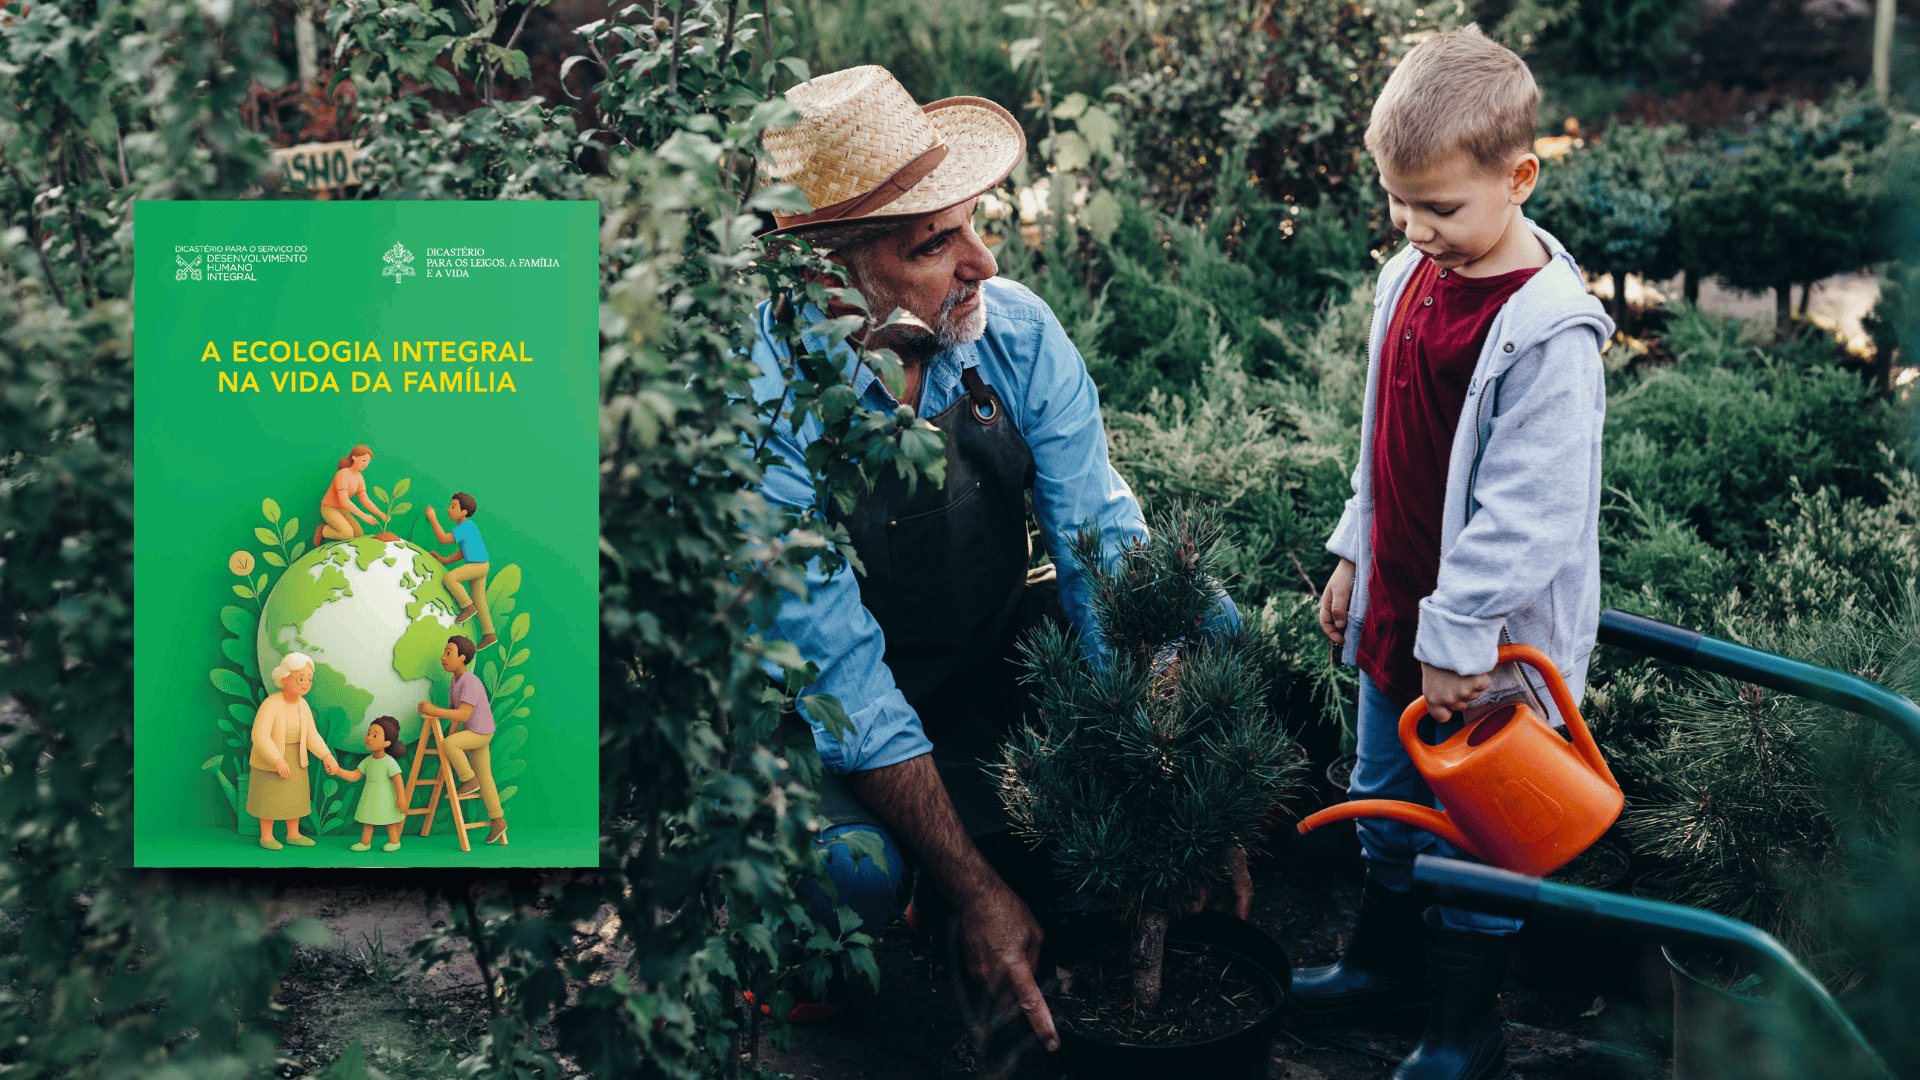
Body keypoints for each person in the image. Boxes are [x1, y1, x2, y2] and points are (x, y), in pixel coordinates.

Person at [746, 65, 1243, 1051]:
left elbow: (1105, 552)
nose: (983, 261)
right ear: (827, 279)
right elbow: (841, 680)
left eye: (974, 221)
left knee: (1202, 623)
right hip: (815, 717)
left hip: (974, 667)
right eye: (935, 244)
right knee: (849, 875)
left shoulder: (1012, 332)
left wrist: (1176, 790)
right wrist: (977, 891)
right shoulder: (761, 404)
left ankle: (954, 863)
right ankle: (807, 951)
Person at [1299, 27, 1612, 1080]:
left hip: (1486, 656)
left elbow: (1533, 513)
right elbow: (1385, 441)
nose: (1414, 228)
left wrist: (1462, 632)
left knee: (1475, 836)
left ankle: (1464, 1025)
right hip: (1400, 618)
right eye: (1398, 203)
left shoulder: (1548, 333)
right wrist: (1356, 549)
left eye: (1439, 207)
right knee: (1386, 800)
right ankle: (1381, 969)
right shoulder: (1409, 278)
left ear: (1519, 178)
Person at [249, 652, 345, 850]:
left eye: (309, 679)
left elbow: (312, 735)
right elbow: (259, 735)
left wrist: (326, 755)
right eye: (301, 679)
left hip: (296, 757)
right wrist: (277, 759)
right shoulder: (271, 704)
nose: (306, 684)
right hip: (271, 759)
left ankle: (293, 834)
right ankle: (266, 836)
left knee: (295, 798)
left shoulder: (303, 705)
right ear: (285, 677)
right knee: (269, 797)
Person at [419, 635, 507, 845]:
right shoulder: (454, 681)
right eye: (444, 652)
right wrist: (444, 720)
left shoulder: (470, 681)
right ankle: (498, 820)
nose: (443, 657)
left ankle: (468, 779)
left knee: (450, 744)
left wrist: (433, 710)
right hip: (475, 731)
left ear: (462, 658)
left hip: (481, 732)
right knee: (485, 777)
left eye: (449, 653)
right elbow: (454, 713)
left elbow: (463, 714)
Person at [425, 493, 496, 652]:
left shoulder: (466, 526)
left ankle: (467, 606)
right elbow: (463, 553)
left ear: (464, 512)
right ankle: (489, 633)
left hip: (478, 565)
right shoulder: (468, 527)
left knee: (449, 578)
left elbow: (444, 539)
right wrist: (443, 560)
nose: (448, 509)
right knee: (479, 600)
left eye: (453, 507)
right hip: (482, 565)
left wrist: (433, 518)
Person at [339, 715, 409, 853]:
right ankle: (365, 843)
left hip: (387, 797)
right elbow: (354, 776)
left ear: (387, 743)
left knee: (390, 820)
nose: (368, 738)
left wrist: (401, 797)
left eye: (375, 735)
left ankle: (394, 841)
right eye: (369, 733)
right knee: (368, 820)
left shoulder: (389, 762)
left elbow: (398, 780)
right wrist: (337, 771)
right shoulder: (367, 761)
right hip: (370, 795)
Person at [315, 444, 389, 546]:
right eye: (364, 460)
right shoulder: (343, 474)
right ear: (354, 457)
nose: (366, 464)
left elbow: (365, 500)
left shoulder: (359, 477)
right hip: (329, 508)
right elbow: (344, 500)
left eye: (368, 462)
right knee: (347, 534)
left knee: (359, 535)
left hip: (342, 509)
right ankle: (323, 530)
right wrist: (364, 516)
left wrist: (381, 514)